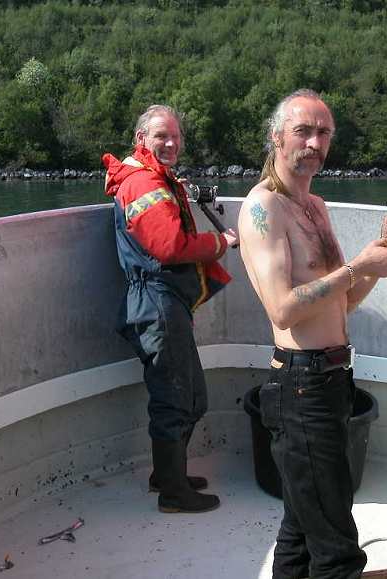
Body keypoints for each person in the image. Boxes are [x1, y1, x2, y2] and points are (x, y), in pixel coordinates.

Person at [237, 89, 387, 579]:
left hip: (333, 382)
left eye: (324, 133)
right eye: (303, 131)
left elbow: (342, 300)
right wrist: (358, 265)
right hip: (301, 388)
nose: (314, 143)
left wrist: (380, 254)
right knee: (337, 550)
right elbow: (282, 309)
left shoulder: (315, 205)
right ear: (277, 137)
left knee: (301, 525)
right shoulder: (263, 208)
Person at [102, 104, 238, 514]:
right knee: (176, 399)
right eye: (162, 135)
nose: (171, 143)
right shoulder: (142, 183)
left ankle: (166, 476)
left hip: (164, 301)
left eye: (176, 136)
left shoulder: (151, 178)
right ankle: (174, 494)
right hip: (155, 301)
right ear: (141, 139)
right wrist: (221, 243)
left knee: (189, 396)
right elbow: (170, 246)